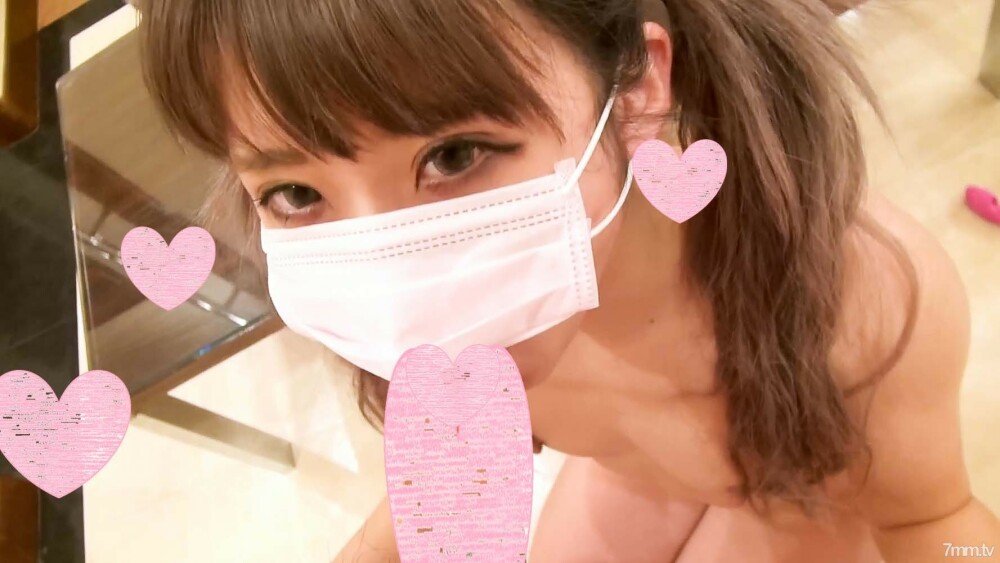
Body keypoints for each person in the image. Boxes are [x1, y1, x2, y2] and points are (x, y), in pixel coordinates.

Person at [137, 0, 1000, 561]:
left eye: (455, 155)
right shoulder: (468, 319)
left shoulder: (862, 303)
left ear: (637, 84)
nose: (397, 284)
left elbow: (934, 521)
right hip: (630, 477)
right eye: (297, 194)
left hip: (794, 493)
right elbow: (461, 457)